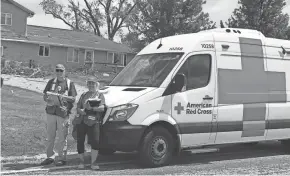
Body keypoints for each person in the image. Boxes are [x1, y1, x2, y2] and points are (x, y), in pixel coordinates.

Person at [41, 64, 77, 166]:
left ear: (64, 71)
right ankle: (50, 157)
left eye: (61, 70)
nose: (59, 72)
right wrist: (47, 100)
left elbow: (73, 98)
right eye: (57, 70)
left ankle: (61, 158)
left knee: (62, 137)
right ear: (55, 71)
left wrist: (64, 97)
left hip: (63, 113)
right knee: (50, 136)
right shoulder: (51, 82)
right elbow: (45, 95)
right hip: (51, 112)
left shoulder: (69, 83)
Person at [72, 76, 107, 170]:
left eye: (93, 83)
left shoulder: (100, 95)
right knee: (80, 141)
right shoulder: (83, 94)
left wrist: (92, 108)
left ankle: (93, 163)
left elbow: (102, 108)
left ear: (96, 84)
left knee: (95, 142)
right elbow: (78, 107)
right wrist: (81, 111)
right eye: (89, 83)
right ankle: (81, 161)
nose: (91, 85)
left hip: (94, 121)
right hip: (82, 121)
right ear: (87, 84)